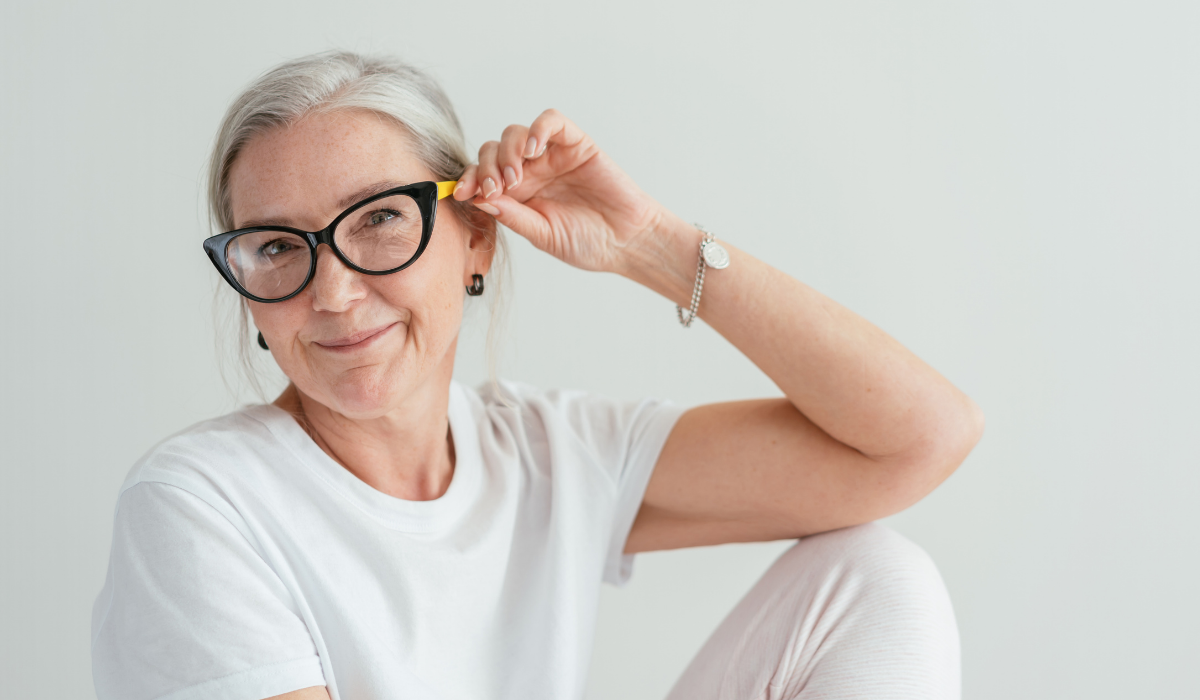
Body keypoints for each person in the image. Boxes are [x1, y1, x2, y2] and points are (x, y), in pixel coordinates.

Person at [91, 51, 983, 700]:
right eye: (277, 247)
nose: (332, 292)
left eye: (380, 221)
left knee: (875, 575)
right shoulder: (199, 504)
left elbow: (916, 442)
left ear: (475, 237)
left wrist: (651, 246)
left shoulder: (544, 455)